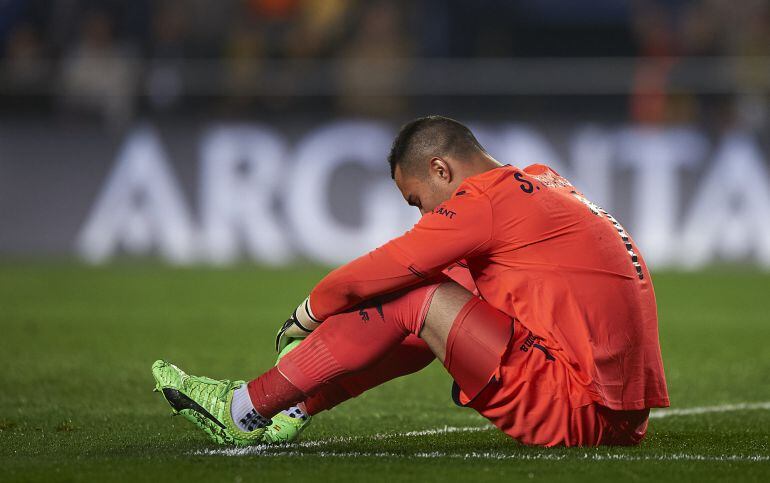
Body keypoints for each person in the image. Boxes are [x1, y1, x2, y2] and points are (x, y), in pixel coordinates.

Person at [152, 115, 669, 447]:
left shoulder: (485, 201)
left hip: (571, 407)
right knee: (432, 306)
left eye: (417, 201)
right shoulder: (538, 182)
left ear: (441, 169)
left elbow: (385, 270)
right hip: (619, 416)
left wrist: (310, 309)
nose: (423, 218)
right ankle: (294, 404)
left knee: (415, 292)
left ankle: (242, 408)